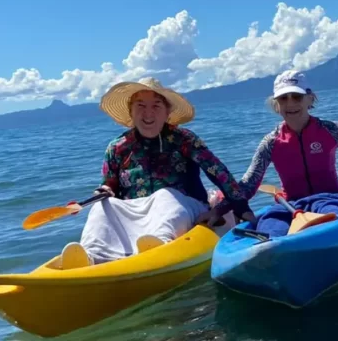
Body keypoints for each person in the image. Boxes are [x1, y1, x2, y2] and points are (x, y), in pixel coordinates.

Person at [205, 70, 338, 237]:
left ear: (310, 99)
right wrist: (220, 209)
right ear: (276, 104)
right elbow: (249, 183)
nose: (290, 104)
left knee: (330, 219)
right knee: (269, 228)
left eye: (296, 97)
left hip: (329, 199)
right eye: (283, 98)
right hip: (291, 204)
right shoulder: (270, 143)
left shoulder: (330, 130)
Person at [60, 77, 248, 269]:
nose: (148, 113)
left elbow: (217, 171)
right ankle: (91, 254)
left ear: (167, 113)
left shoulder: (184, 139)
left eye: (156, 106)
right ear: (131, 112)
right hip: (135, 213)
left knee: (164, 195)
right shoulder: (117, 147)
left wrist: (237, 206)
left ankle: (159, 246)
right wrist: (104, 190)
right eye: (140, 105)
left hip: (186, 208)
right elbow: (110, 184)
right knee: (103, 205)